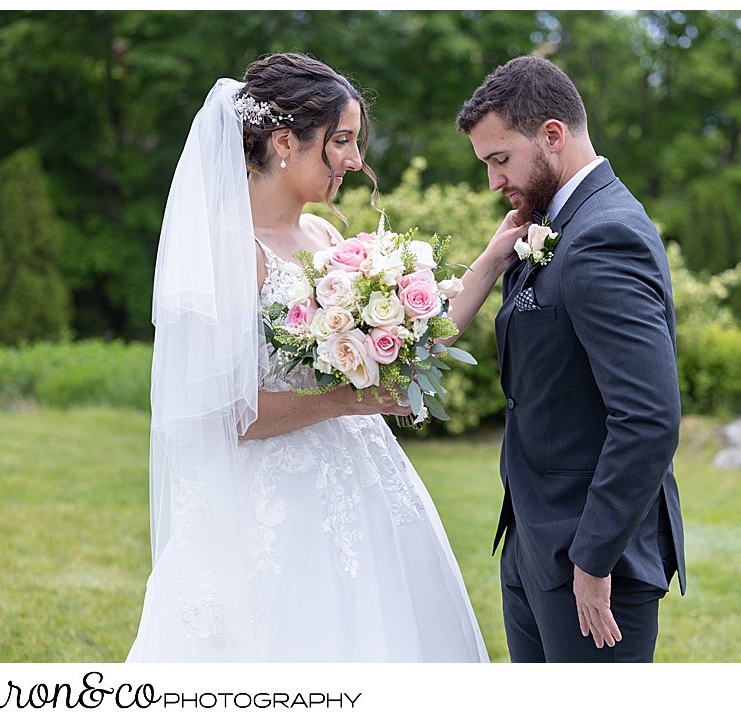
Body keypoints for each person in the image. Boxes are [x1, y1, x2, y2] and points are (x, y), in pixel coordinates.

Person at [126, 53, 488, 662]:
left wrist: (494, 258)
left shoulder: (326, 239)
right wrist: (349, 399)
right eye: (341, 141)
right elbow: (229, 418)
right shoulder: (224, 250)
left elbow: (414, 341)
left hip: (366, 482)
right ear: (286, 141)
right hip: (270, 508)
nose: (355, 159)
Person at [447, 55, 686, 663]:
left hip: (592, 565)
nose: (495, 183)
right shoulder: (552, 224)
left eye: (500, 160)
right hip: (533, 545)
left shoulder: (605, 236)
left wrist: (593, 558)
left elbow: (649, 418)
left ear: (552, 135)